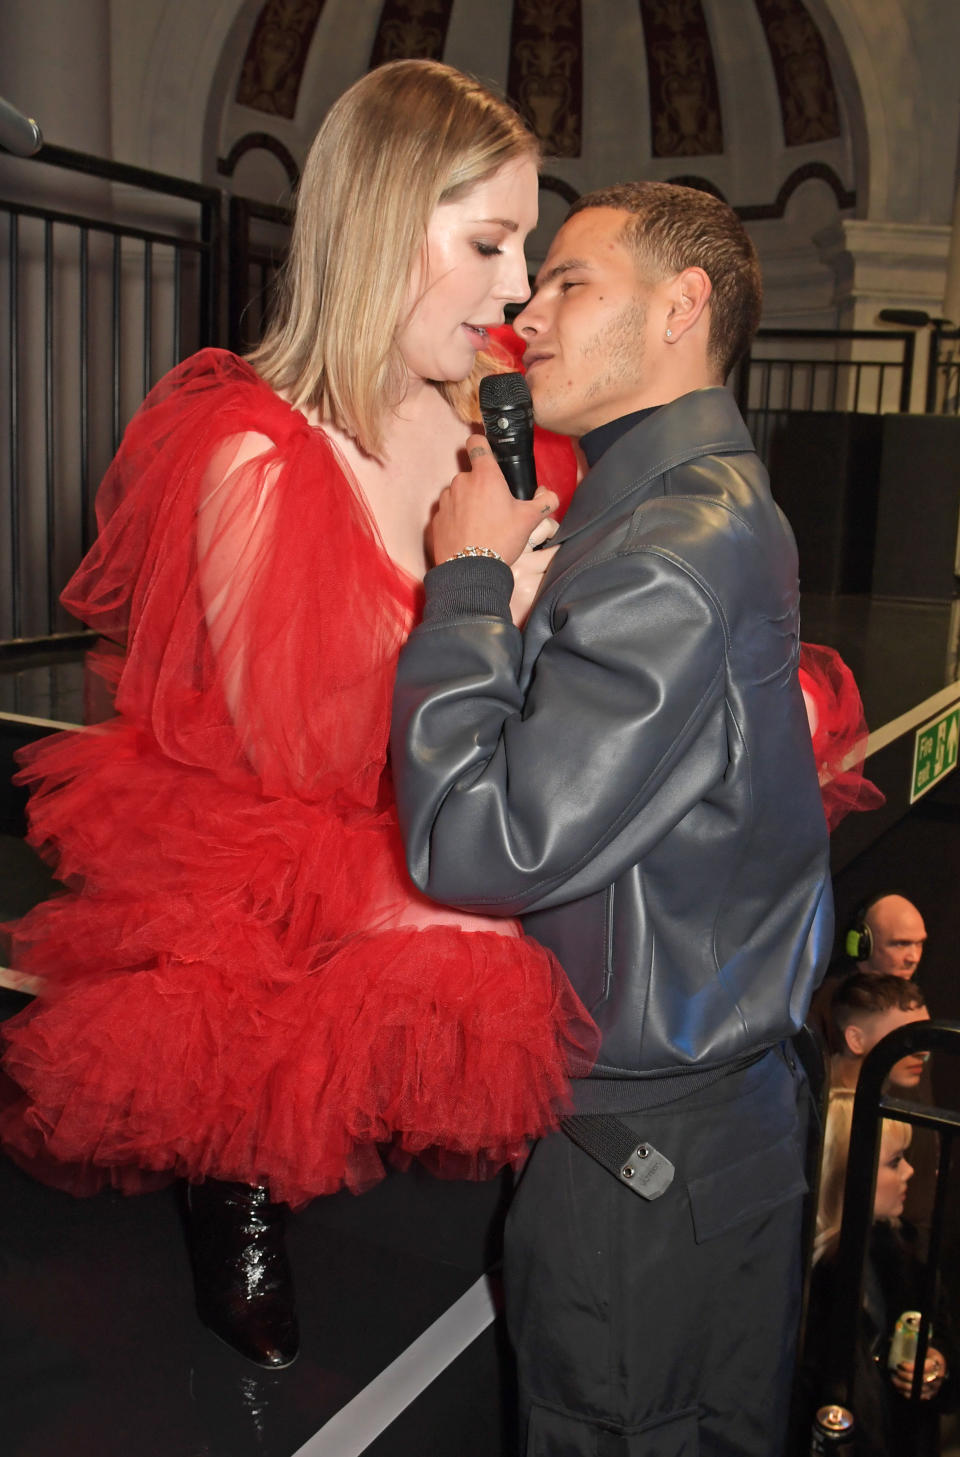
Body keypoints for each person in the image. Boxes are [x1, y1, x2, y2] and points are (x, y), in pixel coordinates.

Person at [0, 61, 599, 1370]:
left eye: (527, 249)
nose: (516, 291)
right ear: (385, 226)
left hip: (456, 769)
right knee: (375, 943)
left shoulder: (501, 421)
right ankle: (238, 1169)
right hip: (283, 817)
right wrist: (479, 608)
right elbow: (294, 753)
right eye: (491, 244)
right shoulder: (256, 455)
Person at [391, 181, 834, 1454]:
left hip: (645, 1158)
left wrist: (469, 582)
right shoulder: (685, 505)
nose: (528, 308)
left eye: (572, 282)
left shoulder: (673, 541)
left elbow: (485, 842)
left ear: (683, 306)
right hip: (690, 1136)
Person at [806, 1091, 950, 1456]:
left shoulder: (906, 1251)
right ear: (848, 1172)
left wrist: (938, 1368)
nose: (910, 1171)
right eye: (895, 1162)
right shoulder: (805, 1285)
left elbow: (944, 1336)